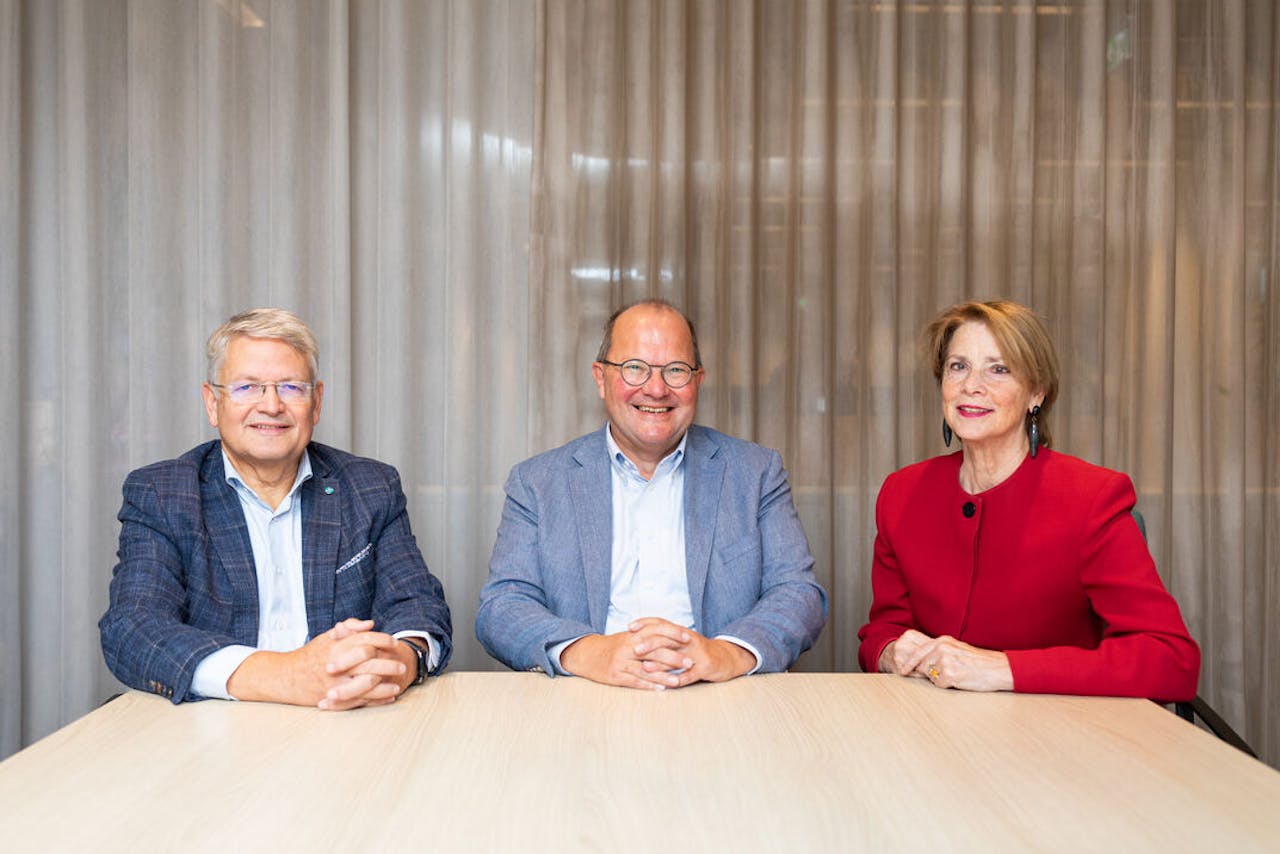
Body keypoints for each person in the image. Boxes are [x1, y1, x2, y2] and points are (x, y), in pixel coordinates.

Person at [100, 308, 452, 709]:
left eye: (290, 388)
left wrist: (402, 660)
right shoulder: (163, 493)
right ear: (212, 403)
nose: (270, 406)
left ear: (315, 403)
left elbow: (417, 604)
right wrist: (284, 676)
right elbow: (134, 628)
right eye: (247, 387)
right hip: (213, 729)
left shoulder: (370, 486)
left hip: (346, 718)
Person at [476, 300, 827, 690]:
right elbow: (502, 608)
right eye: (635, 368)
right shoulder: (538, 482)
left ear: (698, 380)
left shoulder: (756, 473)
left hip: (719, 693)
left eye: (675, 370)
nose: (656, 389)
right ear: (600, 377)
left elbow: (798, 595)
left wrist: (725, 653)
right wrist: (591, 652)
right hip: (587, 693)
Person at [857, 300, 1199, 700]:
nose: (972, 385)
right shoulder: (902, 493)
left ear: (1035, 392)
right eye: (958, 366)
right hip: (935, 729)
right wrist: (890, 652)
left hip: (1058, 733)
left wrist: (1001, 669)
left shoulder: (1091, 497)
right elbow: (882, 631)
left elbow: (1171, 659)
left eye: (998, 369)